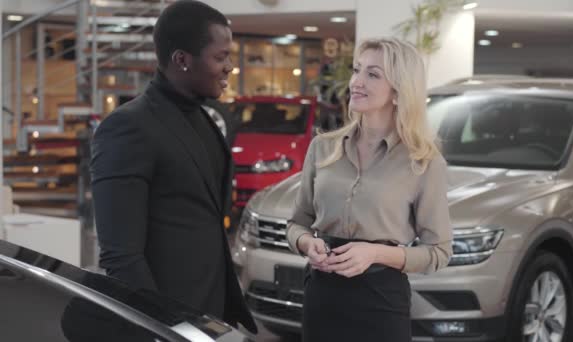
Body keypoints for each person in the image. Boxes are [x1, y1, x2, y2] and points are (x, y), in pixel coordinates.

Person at [90, 0, 256, 333]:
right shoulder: (128, 127)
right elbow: (121, 257)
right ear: (182, 60)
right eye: (220, 57)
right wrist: (161, 327)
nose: (229, 68)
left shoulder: (204, 117)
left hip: (211, 315)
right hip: (167, 321)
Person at [286, 37, 453, 342]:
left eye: (372, 74)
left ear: (399, 92)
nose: (356, 82)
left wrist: (376, 253)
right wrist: (307, 244)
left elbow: (438, 252)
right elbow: (297, 223)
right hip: (321, 299)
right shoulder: (322, 148)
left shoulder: (424, 162)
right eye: (357, 70)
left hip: (381, 304)